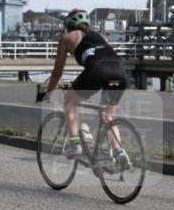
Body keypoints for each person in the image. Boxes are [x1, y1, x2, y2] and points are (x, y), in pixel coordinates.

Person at [38, 9, 128, 162]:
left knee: (70, 102)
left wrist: (49, 92)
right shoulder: (101, 36)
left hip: (98, 71)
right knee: (107, 116)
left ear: (69, 24)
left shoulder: (67, 38)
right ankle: (119, 153)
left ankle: (74, 143)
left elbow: (57, 72)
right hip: (120, 72)